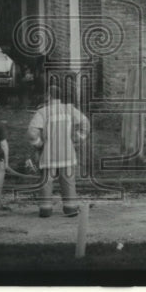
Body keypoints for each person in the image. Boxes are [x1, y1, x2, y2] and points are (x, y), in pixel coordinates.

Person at [27, 84, 90, 218]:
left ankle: (45, 210)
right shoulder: (69, 109)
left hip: (48, 156)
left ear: (49, 96)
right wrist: (77, 139)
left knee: (46, 183)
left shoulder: (43, 112)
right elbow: (85, 123)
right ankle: (71, 209)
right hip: (67, 155)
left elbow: (32, 133)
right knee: (68, 183)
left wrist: (39, 144)